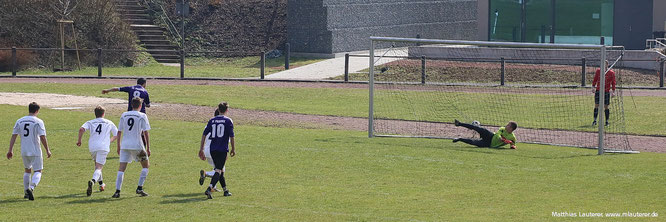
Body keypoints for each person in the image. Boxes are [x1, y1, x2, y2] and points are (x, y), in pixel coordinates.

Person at [7, 102, 52, 201]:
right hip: (35, 150)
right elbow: (42, 137)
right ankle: (31, 188)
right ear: (37, 111)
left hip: (24, 150)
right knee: (38, 171)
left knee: (27, 170)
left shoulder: (19, 121)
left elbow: (14, 135)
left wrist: (10, 150)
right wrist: (47, 150)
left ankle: (26, 192)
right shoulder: (38, 121)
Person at [112, 98, 151, 198]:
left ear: (131, 105)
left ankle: (117, 191)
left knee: (121, 169)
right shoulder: (142, 115)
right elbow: (146, 132)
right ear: (140, 105)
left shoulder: (124, 115)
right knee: (146, 166)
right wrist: (148, 148)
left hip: (125, 145)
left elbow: (119, 131)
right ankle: (139, 188)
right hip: (137, 145)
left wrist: (118, 146)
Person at [76, 105, 118, 196]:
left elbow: (81, 129)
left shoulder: (90, 122)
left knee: (97, 165)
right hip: (103, 147)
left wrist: (79, 140)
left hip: (93, 147)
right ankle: (93, 181)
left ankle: (101, 184)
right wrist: (109, 141)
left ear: (95, 114)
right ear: (104, 113)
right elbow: (117, 134)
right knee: (99, 167)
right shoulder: (109, 122)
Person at [200, 102, 236, 199]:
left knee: (220, 170)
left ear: (218, 110)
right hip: (222, 149)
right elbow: (231, 136)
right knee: (218, 170)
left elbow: (204, 134)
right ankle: (209, 188)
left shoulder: (212, 120)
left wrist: (201, 149)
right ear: (226, 110)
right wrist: (233, 148)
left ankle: (225, 190)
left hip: (213, 149)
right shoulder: (228, 121)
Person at [198, 108, 225, 192]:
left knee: (216, 168)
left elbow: (204, 136)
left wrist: (201, 149)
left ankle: (214, 187)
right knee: (220, 171)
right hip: (216, 150)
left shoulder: (209, 124)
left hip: (207, 150)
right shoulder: (222, 125)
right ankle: (206, 174)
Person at [452, 120, 517, 149]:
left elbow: (513, 144)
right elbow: (497, 134)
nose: (506, 125)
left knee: (473, 142)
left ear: (511, 128)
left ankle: (459, 139)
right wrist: (501, 139)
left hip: (489, 144)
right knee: (478, 128)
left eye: (508, 125)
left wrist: (512, 146)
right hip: (491, 136)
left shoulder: (512, 137)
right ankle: (459, 124)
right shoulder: (503, 128)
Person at [592, 60, 616, 126]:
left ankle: (607, 121)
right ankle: (594, 120)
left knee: (606, 107)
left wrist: (613, 91)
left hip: (606, 91)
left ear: (607, 65)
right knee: (596, 105)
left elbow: (613, 83)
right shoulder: (598, 71)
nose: (603, 65)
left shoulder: (611, 73)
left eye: (605, 64)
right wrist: (593, 87)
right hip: (598, 91)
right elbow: (595, 79)